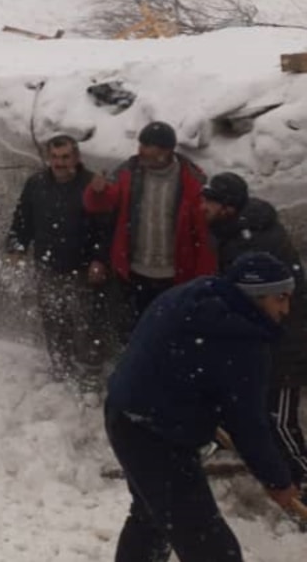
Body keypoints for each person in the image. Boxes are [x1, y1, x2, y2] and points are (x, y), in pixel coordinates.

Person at [105, 252, 301, 561]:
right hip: (156, 435)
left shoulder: (193, 294)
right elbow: (249, 425)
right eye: (281, 299)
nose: (285, 309)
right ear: (256, 296)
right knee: (211, 548)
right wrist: (278, 480)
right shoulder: (244, 342)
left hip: (124, 413)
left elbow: (177, 360)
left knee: (151, 517)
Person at [201, 172, 307, 494]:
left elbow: (251, 302)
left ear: (229, 208)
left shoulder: (252, 243)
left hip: (286, 340)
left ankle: (303, 477)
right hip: (265, 338)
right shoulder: (234, 231)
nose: (202, 206)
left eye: (209, 202)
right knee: (252, 405)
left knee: (279, 419)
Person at [83, 121, 215, 334]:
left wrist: (203, 277)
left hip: (174, 276)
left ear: (165, 151)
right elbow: (99, 205)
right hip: (133, 273)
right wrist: (97, 191)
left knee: (169, 333)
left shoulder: (192, 181)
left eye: (147, 146)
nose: (140, 151)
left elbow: (201, 235)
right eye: (140, 144)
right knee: (131, 332)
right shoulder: (128, 172)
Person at [7, 136, 111, 385]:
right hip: (47, 265)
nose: (59, 163)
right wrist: (16, 246)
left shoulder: (91, 186)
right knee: (53, 319)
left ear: (76, 157)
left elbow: (107, 228)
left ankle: (90, 374)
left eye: (65, 157)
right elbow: (22, 220)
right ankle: (62, 367)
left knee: (87, 323)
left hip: (83, 269)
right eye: (54, 157)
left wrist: (100, 260)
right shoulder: (37, 184)